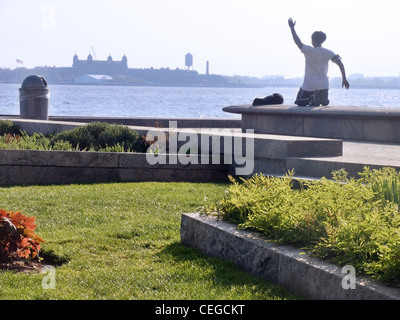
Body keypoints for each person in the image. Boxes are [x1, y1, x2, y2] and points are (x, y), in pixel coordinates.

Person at [288, 18, 349, 107]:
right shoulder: (328, 52)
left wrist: (292, 28)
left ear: (312, 40)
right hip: (324, 85)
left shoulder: (309, 50)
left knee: (299, 101)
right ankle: (322, 99)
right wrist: (344, 79)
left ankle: (312, 99)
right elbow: (340, 64)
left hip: (309, 85)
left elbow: (298, 42)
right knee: (322, 100)